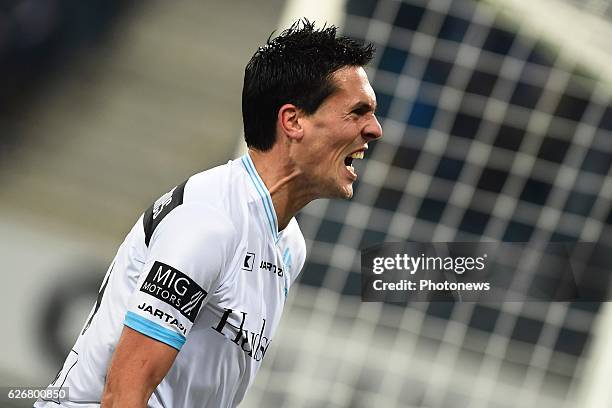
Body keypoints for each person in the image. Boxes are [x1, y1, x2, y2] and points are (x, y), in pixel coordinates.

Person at [35, 19, 382, 408]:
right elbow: (123, 394)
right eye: (357, 112)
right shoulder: (209, 221)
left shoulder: (289, 246)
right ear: (293, 121)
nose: (375, 130)